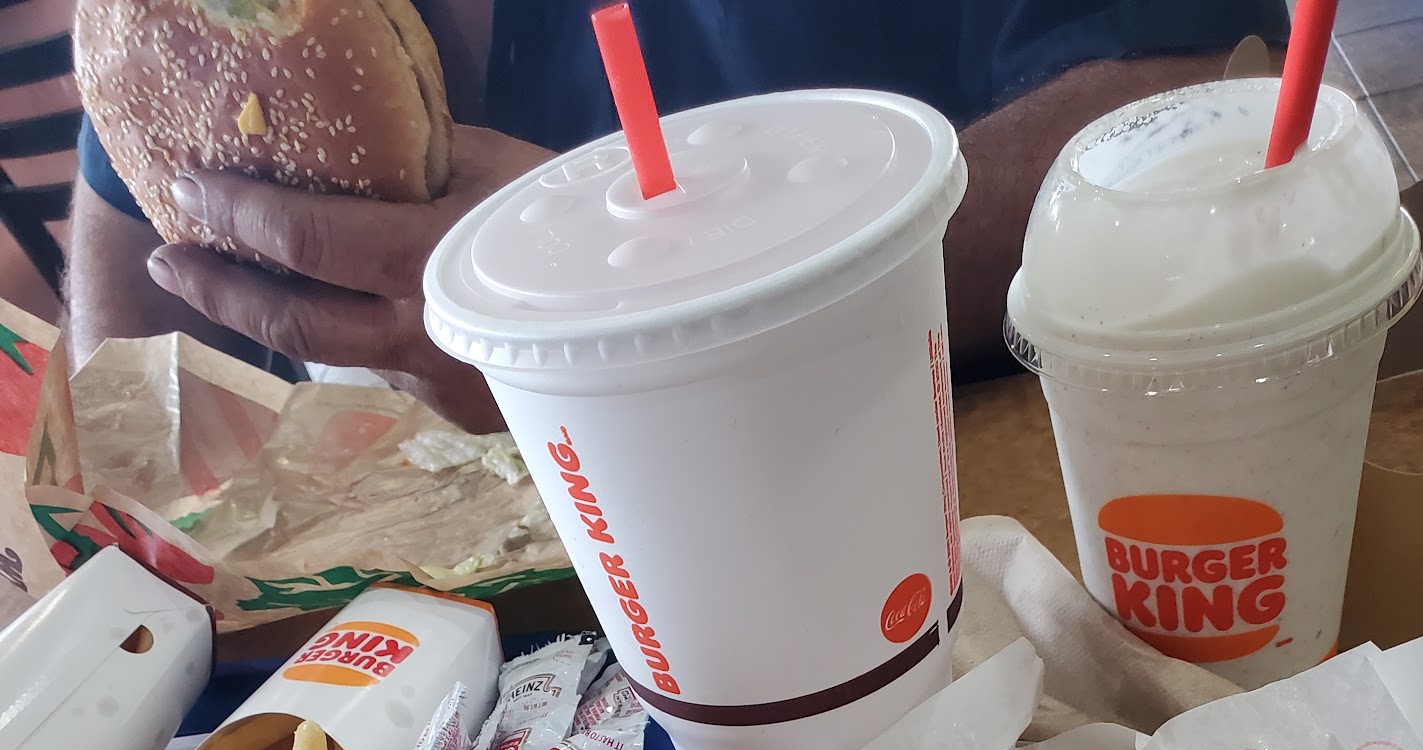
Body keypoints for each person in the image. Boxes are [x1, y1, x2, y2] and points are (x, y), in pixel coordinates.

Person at [67, 0, 1289, 431]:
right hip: (422, 659)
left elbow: (1182, 105)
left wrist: (642, 321)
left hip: (917, 506)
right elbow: (128, 262)